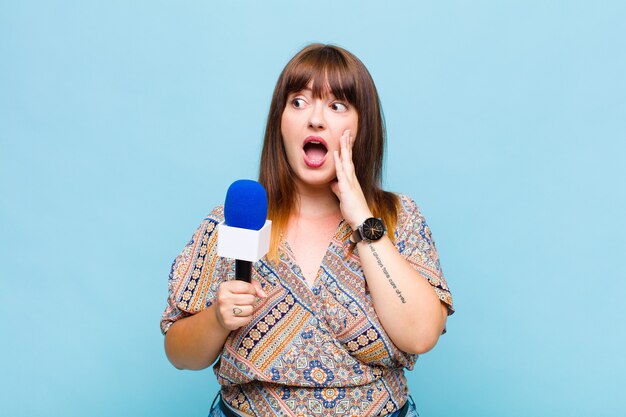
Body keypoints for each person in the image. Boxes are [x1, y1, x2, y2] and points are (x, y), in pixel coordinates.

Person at [161, 43, 454, 417]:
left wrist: (363, 219)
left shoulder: (398, 217)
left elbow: (421, 334)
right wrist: (217, 318)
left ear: (361, 125)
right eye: (299, 102)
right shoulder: (234, 220)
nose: (316, 119)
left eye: (337, 105)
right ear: (279, 122)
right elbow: (179, 354)